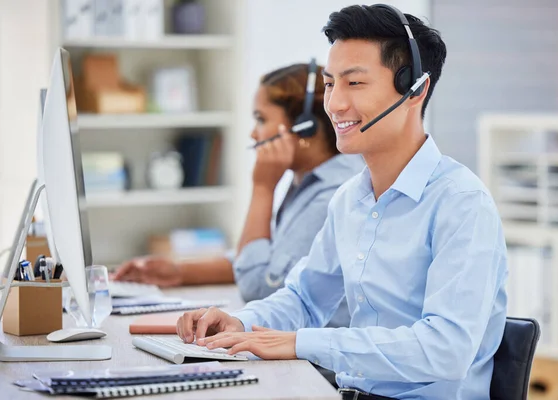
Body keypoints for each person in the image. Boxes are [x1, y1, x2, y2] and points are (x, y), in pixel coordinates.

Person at [175, 4, 508, 400]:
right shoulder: (350, 198)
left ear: (415, 89)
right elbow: (304, 297)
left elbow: (446, 350)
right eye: (331, 84)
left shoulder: (461, 204)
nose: (334, 104)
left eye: (355, 84)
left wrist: (302, 343)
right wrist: (240, 323)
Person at [113, 61, 364, 328]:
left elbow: (258, 285)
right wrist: (176, 272)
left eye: (261, 119)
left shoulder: (333, 194)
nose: (253, 133)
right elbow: (262, 259)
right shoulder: (305, 182)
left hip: (315, 364)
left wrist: (262, 188)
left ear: (305, 127)